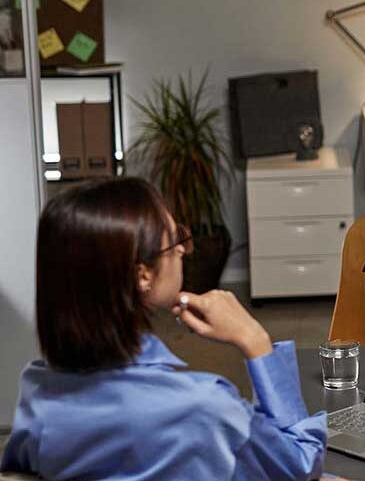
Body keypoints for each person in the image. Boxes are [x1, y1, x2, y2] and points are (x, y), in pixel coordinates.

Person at [1, 178, 327, 480]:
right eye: (175, 241)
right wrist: (254, 339)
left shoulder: (38, 391)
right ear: (143, 275)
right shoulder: (203, 405)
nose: (183, 250)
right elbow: (300, 463)